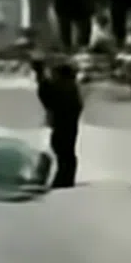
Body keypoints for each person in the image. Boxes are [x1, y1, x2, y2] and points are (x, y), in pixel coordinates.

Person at [31, 55, 84, 188]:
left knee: (63, 152)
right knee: (65, 153)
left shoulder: (65, 87)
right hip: (66, 125)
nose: (53, 76)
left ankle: (63, 182)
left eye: (54, 73)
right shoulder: (70, 87)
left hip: (63, 125)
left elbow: (47, 94)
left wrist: (39, 73)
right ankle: (65, 180)